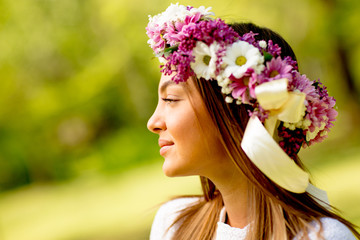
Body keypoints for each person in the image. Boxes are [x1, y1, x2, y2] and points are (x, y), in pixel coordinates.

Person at [145, 3, 360, 240]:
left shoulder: (320, 237)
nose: (153, 122)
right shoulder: (172, 225)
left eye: (170, 99)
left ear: (233, 108)